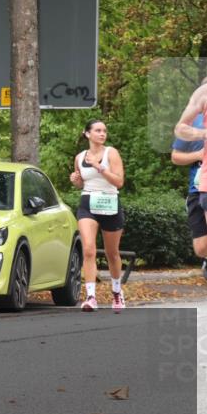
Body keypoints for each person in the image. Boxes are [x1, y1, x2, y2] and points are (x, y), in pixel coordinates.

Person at [69, 120, 126, 312]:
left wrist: (100, 167)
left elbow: (119, 182)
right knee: (89, 250)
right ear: (87, 134)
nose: (102, 134)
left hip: (110, 203)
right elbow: (81, 183)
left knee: (112, 253)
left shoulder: (112, 153)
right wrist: (75, 181)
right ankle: (91, 297)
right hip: (88, 204)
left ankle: (117, 292)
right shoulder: (79, 157)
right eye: (98, 130)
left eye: (104, 131)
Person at [174, 76, 207, 313]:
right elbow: (176, 152)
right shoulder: (198, 121)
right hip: (203, 184)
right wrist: (202, 141)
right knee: (203, 247)